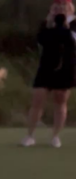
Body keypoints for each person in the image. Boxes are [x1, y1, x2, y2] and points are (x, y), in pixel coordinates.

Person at [21, 0, 76, 148]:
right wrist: (49, 24)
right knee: (37, 99)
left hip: (66, 67)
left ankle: (55, 136)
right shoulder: (46, 23)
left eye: (63, 6)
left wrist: (65, 28)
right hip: (46, 67)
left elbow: (73, 42)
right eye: (57, 6)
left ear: (70, 7)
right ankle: (29, 135)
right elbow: (40, 40)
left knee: (60, 101)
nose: (60, 8)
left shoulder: (73, 23)